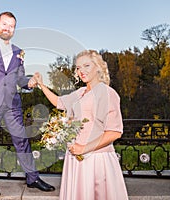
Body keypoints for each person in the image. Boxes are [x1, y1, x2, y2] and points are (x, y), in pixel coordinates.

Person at [0, 11, 55, 197]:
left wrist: (30, 82)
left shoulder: (18, 52)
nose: (7, 28)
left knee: (22, 141)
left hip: (12, 104)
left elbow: (20, 78)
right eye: (5, 24)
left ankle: (33, 178)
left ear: (15, 29)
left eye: (11, 26)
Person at [34, 50, 128, 199]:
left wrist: (84, 148)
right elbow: (59, 102)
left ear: (98, 67)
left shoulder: (107, 93)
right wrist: (40, 84)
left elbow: (115, 132)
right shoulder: (81, 92)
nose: (81, 71)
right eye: (78, 67)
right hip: (76, 159)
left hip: (95, 161)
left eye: (86, 65)